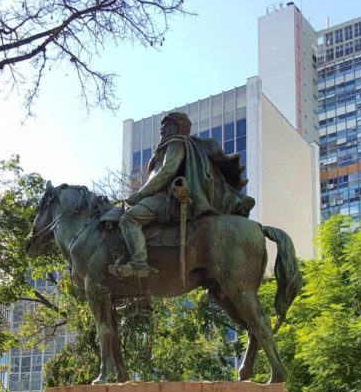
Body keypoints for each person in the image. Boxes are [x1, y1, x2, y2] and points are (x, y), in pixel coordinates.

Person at [108, 110, 255, 280]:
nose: (162, 130)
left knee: (129, 219)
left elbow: (167, 170)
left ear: (179, 128)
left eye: (167, 126)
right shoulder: (164, 148)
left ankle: (139, 263)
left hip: (164, 198)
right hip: (156, 196)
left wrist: (141, 194)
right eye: (162, 127)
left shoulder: (176, 143)